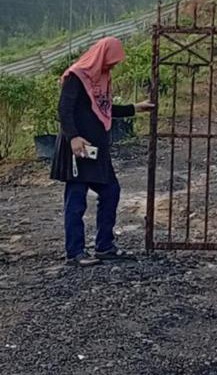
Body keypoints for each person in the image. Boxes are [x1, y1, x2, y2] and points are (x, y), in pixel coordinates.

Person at [50, 37, 153, 266]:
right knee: (76, 200)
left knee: (111, 191)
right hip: (78, 149)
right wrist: (74, 137)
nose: (112, 67)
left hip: (96, 151)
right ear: (101, 56)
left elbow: (104, 108)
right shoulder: (77, 76)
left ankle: (104, 246)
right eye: (110, 62)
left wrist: (135, 108)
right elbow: (64, 109)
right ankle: (75, 253)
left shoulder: (101, 79)